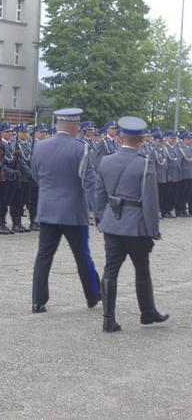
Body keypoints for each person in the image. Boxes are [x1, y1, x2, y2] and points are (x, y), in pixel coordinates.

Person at [95, 116, 169, 332]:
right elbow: (150, 201)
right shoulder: (144, 163)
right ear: (141, 139)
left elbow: (98, 196)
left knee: (110, 270)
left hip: (112, 223)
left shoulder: (106, 161)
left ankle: (108, 319)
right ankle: (147, 313)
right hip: (136, 226)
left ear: (120, 138)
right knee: (142, 269)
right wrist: (153, 230)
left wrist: (102, 218)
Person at [31, 108, 101, 313]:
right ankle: (92, 295)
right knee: (82, 255)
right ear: (75, 127)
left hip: (47, 210)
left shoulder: (40, 146)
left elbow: (36, 176)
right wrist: (99, 212)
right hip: (73, 212)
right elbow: (89, 183)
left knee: (44, 256)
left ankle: (38, 301)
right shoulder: (81, 148)